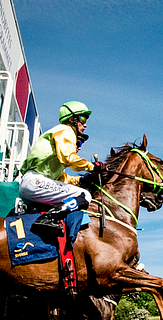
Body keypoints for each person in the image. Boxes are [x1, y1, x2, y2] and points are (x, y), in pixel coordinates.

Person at [18, 101, 105, 236]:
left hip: (33, 184)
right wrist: (92, 167)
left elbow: (61, 179)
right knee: (84, 195)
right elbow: (69, 159)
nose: (85, 124)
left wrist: (82, 181)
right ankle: (47, 219)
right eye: (83, 119)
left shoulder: (56, 154)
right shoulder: (66, 130)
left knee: (77, 193)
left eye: (80, 143)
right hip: (34, 182)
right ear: (72, 119)